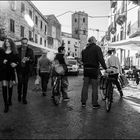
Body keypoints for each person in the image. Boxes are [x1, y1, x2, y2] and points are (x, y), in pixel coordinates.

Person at [81, 36, 107, 108]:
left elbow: (82, 60)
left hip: (86, 69)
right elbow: (101, 59)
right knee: (94, 86)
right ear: (93, 40)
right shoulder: (97, 48)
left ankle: (83, 102)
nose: (96, 41)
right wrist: (105, 68)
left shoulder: (84, 49)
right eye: (95, 40)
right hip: (94, 69)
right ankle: (94, 103)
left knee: (85, 86)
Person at [0, 38, 19, 113]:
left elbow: (18, 61)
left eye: (8, 41)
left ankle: (10, 99)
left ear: (11, 43)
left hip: (11, 71)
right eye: (6, 41)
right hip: (3, 71)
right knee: (4, 87)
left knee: (10, 86)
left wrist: (16, 64)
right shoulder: (2, 51)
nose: (7, 42)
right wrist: (2, 61)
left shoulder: (14, 52)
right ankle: (6, 105)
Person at [17, 37, 34, 104]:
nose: (25, 45)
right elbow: (15, 59)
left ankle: (24, 98)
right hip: (19, 69)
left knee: (25, 84)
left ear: (27, 43)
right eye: (23, 43)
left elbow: (33, 60)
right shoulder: (17, 50)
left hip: (26, 70)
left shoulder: (30, 50)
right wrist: (18, 62)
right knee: (20, 83)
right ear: (21, 43)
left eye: (26, 43)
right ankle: (19, 94)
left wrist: (28, 60)